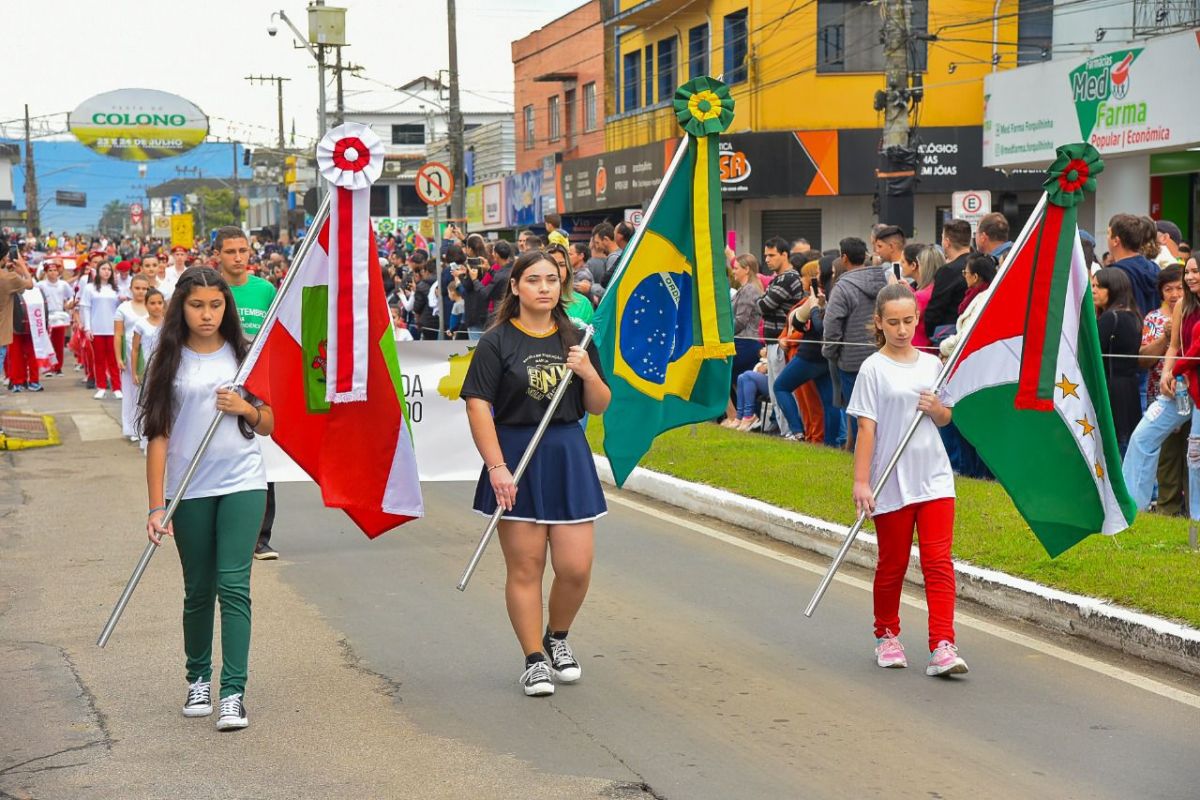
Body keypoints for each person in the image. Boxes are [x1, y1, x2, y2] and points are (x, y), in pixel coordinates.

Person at [460, 250, 611, 697]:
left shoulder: (579, 337)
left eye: (551, 279)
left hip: (566, 455)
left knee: (575, 567)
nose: (544, 287)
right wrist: (496, 467)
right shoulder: (496, 342)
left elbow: (599, 404)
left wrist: (587, 373)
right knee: (526, 566)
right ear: (515, 287)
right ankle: (533, 659)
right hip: (515, 454)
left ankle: (557, 637)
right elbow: (477, 406)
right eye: (533, 280)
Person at [140, 267, 274, 731]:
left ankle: (233, 692)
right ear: (182, 306)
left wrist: (247, 409)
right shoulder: (165, 354)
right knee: (199, 588)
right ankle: (198, 677)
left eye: (216, 305)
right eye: (197, 305)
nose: (207, 314)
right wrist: (157, 505)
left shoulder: (245, 354)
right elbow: (156, 434)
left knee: (234, 586)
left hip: (243, 480)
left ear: (226, 306)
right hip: (188, 487)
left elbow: (270, 422)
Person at [848, 282, 966, 677]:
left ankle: (943, 645)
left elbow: (947, 416)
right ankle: (887, 635)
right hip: (890, 480)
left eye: (909, 321)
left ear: (917, 319)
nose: (902, 329)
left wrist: (936, 408)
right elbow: (866, 429)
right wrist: (861, 482)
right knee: (893, 563)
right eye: (894, 322)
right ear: (879, 323)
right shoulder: (872, 369)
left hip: (933, 477)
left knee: (937, 562)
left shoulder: (932, 364)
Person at [213, 226, 280, 561]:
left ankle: (261, 537)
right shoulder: (211, 290)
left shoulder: (265, 290)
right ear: (218, 256)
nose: (238, 258)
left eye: (243, 251)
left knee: (263, 459)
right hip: (219, 383)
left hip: (257, 385)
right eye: (230, 252)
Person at [1123, 257, 1200, 520]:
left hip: (1197, 391)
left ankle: (1197, 520)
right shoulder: (1182, 306)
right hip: (1179, 390)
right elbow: (1174, 346)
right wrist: (1168, 372)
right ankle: (1132, 508)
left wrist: (1178, 371)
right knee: (1142, 437)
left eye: (1195, 271)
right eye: (1187, 272)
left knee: (1195, 457)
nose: (1190, 278)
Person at [823, 236, 887, 449]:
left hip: (851, 360)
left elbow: (831, 326)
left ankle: (858, 452)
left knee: (856, 409)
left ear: (844, 258)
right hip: (882, 354)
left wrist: (831, 352)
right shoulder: (885, 280)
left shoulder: (842, 287)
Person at [773, 261, 838, 445]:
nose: (811, 278)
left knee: (780, 386)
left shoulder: (822, 297)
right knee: (828, 402)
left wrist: (814, 308)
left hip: (810, 355)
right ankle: (831, 444)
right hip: (826, 356)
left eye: (817, 272)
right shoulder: (833, 294)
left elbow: (815, 327)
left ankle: (797, 431)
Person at [1137, 265, 1185, 514]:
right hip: (1163, 396)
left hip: (1193, 396)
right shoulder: (1154, 319)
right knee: (1167, 459)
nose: (1175, 293)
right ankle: (1168, 509)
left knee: (1192, 456)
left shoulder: (1193, 315)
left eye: (1179, 287)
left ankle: (1190, 510)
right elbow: (1143, 359)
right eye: (1169, 289)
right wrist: (1167, 338)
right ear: (1161, 292)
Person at [756, 238, 806, 437]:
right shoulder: (779, 278)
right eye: (765, 255)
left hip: (781, 342)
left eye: (772, 255)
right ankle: (788, 432)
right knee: (776, 392)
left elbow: (763, 305)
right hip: (773, 342)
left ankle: (791, 432)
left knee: (782, 391)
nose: (767, 259)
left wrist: (763, 300)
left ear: (785, 255)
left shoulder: (788, 278)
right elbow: (764, 304)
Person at [1091, 267, 1143, 454]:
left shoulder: (1109, 318)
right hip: (1129, 389)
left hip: (1111, 389)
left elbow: (1091, 352)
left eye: (1099, 286)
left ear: (1113, 288)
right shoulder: (1133, 315)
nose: (1093, 290)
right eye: (1093, 285)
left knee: (1115, 447)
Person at [722, 254, 764, 427]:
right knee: (739, 381)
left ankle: (741, 416)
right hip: (746, 341)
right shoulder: (747, 288)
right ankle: (742, 416)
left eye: (737, 268)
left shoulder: (749, 290)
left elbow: (740, 320)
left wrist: (722, 331)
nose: (733, 271)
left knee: (725, 375)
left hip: (745, 342)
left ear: (747, 269)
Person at [114, 275, 151, 440]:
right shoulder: (123, 308)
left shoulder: (154, 306)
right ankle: (132, 427)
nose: (141, 292)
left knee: (148, 390)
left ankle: (147, 425)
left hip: (150, 351)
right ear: (131, 288)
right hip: (131, 353)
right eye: (137, 288)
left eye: (144, 289)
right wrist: (119, 358)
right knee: (132, 390)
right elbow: (118, 334)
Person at [79, 260, 123, 399]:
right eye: (103, 269)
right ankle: (101, 386)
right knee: (98, 359)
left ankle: (117, 387)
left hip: (113, 329)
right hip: (97, 329)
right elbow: (86, 308)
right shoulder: (90, 288)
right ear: (97, 271)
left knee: (114, 360)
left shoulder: (116, 289)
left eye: (109, 269)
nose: (106, 272)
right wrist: (87, 328)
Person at [1106, 214, 1160, 322]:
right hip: (1151, 335)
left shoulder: (1114, 274)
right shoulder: (1155, 268)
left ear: (1116, 241)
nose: (1106, 237)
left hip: (1125, 335)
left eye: (1108, 233)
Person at [1, 251, 35, 386]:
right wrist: (23, 267)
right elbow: (29, 285)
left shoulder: (8, 277)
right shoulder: (9, 278)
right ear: (4, 257)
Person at [37, 261, 73, 373]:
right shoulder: (41, 285)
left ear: (58, 272)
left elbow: (71, 296)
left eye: (55, 270)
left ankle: (58, 367)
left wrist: (68, 304)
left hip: (59, 315)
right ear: (46, 272)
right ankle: (47, 366)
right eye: (50, 271)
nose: (53, 273)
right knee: (47, 342)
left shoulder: (63, 284)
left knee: (59, 342)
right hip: (46, 316)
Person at [546, 243, 593, 327]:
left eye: (561, 265)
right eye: (551, 264)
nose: (556, 269)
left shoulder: (582, 303)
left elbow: (591, 337)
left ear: (568, 268)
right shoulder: (534, 301)